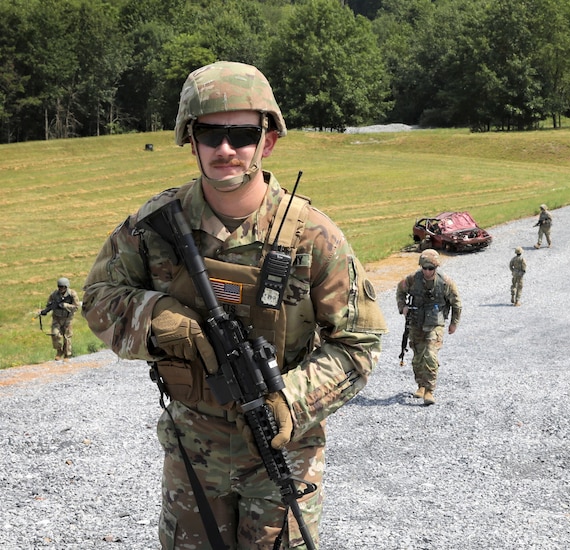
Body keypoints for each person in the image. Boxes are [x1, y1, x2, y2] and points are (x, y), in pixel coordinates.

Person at [82, 61, 386, 550]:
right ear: (190, 138)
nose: (226, 149)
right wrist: (160, 319)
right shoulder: (154, 226)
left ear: (267, 141)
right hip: (193, 451)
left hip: (282, 451)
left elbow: (358, 342)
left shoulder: (313, 236)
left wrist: (291, 398)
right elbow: (98, 300)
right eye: (210, 133)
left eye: (242, 134)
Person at [396, 249, 462, 405]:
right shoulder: (412, 279)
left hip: (435, 324)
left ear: (436, 267)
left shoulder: (445, 282)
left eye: (430, 268)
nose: (427, 271)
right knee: (418, 357)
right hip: (416, 322)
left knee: (430, 355)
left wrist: (454, 323)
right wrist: (403, 307)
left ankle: (430, 391)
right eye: (424, 268)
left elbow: (456, 303)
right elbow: (400, 291)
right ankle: (421, 385)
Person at [40, 277, 80, 361]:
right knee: (55, 334)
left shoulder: (72, 294)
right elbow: (49, 304)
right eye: (59, 286)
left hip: (67, 318)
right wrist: (45, 311)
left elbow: (76, 307)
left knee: (67, 337)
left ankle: (67, 355)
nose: (61, 288)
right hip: (56, 318)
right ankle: (59, 351)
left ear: (66, 287)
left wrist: (65, 305)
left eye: (62, 287)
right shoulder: (54, 294)